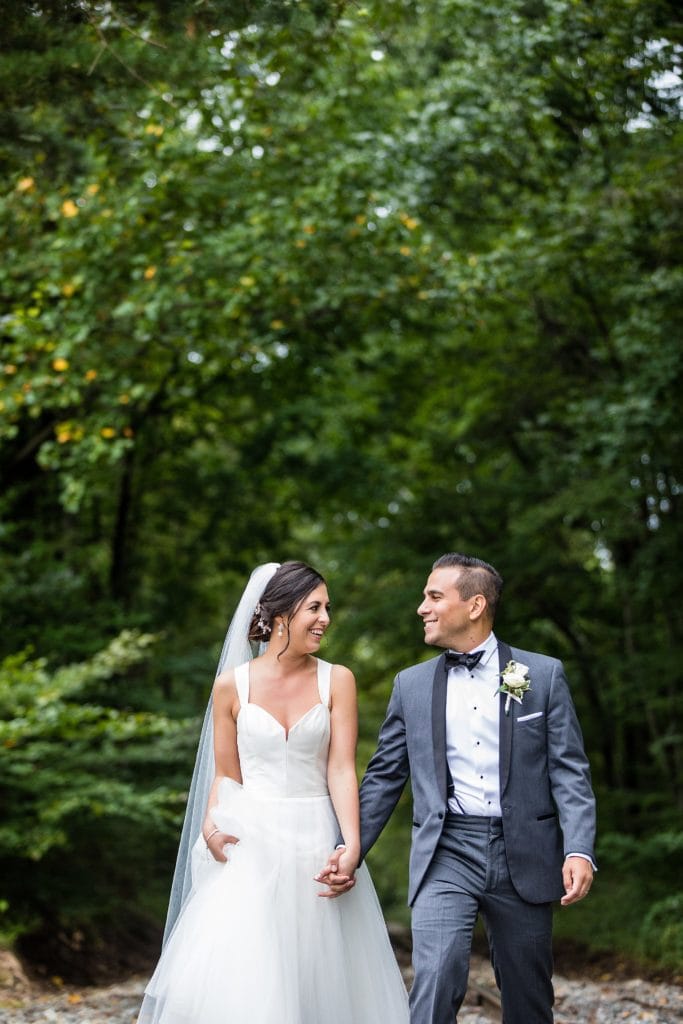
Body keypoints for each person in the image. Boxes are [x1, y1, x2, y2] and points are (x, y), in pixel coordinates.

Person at [318, 552, 596, 1024]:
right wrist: (349, 847)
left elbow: (569, 770)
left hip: (524, 852)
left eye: (433, 597)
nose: (422, 608)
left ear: (474, 605)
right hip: (445, 849)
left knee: (529, 993)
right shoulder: (411, 686)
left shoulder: (542, 676)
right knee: (438, 974)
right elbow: (385, 776)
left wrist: (579, 850)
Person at [138, 560, 409, 1024]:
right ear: (282, 614)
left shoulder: (337, 679)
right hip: (252, 843)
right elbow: (226, 774)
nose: (326, 618)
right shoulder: (231, 686)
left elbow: (342, 768)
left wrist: (351, 845)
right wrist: (209, 822)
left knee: (322, 975)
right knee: (252, 977)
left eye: (328, 608)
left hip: (315, 840)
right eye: (315, 607)